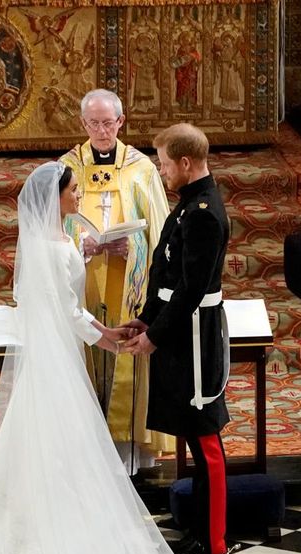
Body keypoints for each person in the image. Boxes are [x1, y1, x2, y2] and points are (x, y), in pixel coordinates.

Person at [0, 162, 301, 554]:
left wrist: (99, 307)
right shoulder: (57, 249)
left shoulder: (45, 244)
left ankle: (27, 528)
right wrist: (110, 336)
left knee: (41, 443)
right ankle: (56, 539)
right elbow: (68, 310)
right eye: (73, 189)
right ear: (55, 197)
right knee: (65, 445)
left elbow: (45, 298)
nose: (80, 192)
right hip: (66, 355)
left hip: (50, 361)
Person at [122, 123, 230, 554]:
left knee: (205, 440)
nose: (162, 171)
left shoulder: (203, 211)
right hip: (177, 331)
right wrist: (146, 318)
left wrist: (154, 336)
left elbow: (190, 289)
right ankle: (201, 532)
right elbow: (164, 274)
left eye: (165, 163)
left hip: (194, 338)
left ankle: (215, 539)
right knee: (191, 433)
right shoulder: (189, 205)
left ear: (186, 163)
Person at [61, 88, 172, 472]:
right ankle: (85, 452)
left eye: (108, 123)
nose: (102, 131)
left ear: (121, 122)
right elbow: (55, 225)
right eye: (94, 123)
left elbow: (159, 231)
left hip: (130, 283)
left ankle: (129, 455)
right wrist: (80, 244)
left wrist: (136, 247)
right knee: (87, 352)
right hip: (86, 280)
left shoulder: (141, 168)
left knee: (126, 353)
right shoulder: (67, 167)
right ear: (83, 123)